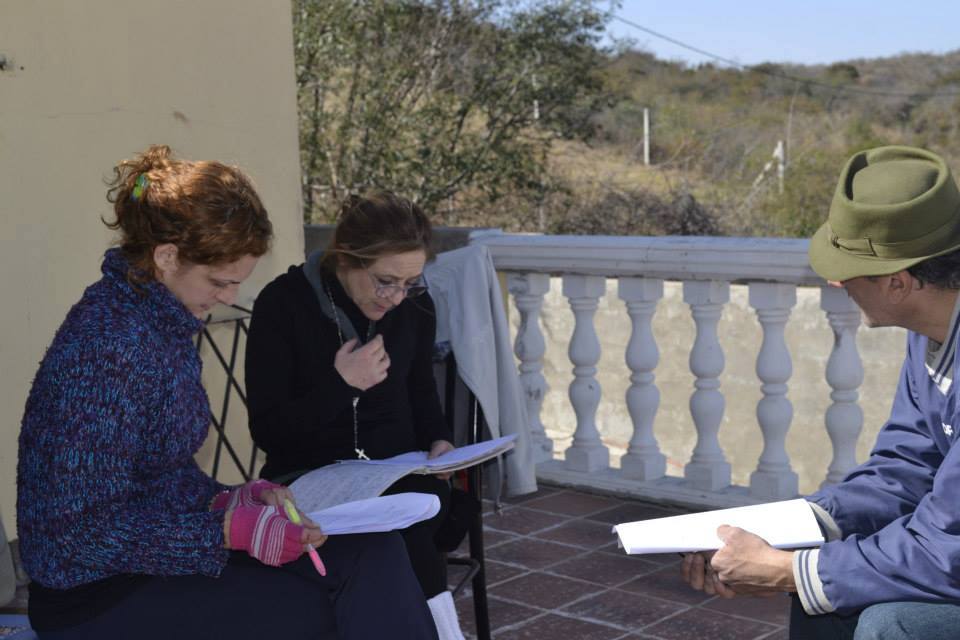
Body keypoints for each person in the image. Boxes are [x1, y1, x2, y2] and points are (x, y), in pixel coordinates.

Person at [16, 145, 438, 639]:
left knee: (375, 551)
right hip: (96, 596)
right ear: (167, 256)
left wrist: (232, 498)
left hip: (156, 560)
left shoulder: (162, 324)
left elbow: (160, 476)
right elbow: (75, 539)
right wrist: (227, 530)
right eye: (219, 281)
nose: (229, 298)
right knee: (319, 609)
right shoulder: (108, 349)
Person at [680, 145, 960, 640]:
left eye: (846, 266)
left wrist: (790, 571)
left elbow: (946, 547)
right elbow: (905, 468)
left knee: (888, 624)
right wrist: (795, 528)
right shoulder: (930, 334)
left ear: (897, 283)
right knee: (821, 598)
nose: (834, 280)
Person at [245, 191, 465, 639]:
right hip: (308, 473)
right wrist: (341, 386)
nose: (397, 298)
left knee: (414, 516)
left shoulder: (414, 308)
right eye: (385, 281)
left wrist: (440, 440)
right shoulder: (284, 304)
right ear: (346, 258)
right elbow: (268, 430)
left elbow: (421, 391)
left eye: (410, 283)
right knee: (403, 535)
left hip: (396, 470)